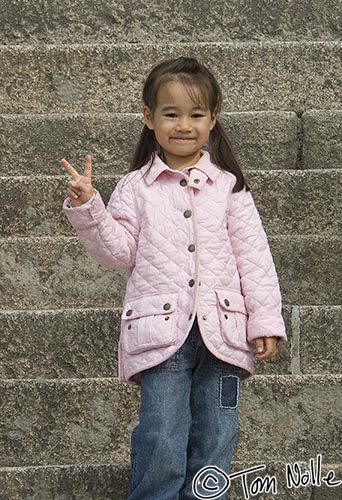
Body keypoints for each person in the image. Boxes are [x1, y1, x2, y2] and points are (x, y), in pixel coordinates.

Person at [61, 57, 287, 500]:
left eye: (196, 114)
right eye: (171, 113)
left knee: (215, 439)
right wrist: (91, 207)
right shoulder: (135, 187)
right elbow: (118, 253)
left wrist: (265, 321)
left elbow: (254, 257)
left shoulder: (229, 186)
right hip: (161, 334)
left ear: (213, 119)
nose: (184, 125)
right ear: (149, 118)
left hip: (224, 334)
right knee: (162, 435)